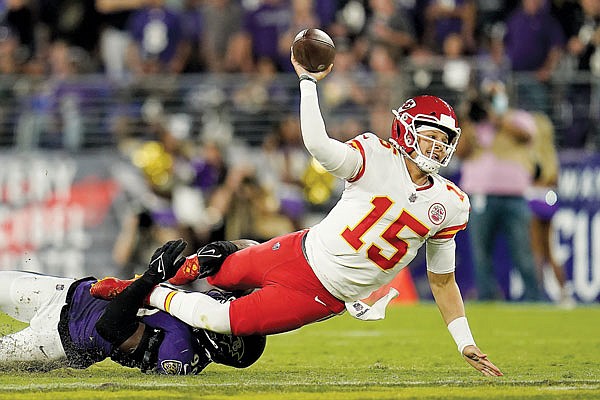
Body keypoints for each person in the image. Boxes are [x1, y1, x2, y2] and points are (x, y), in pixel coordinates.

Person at [94, 52, 503, 377]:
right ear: (405, 130)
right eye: (430, 136)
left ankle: (146, 294)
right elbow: (320, 146)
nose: (436, 147)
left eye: (443, 139)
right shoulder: (376, 155)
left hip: (320, 292)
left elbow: (444, 281)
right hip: (299, 248)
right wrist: (308, 83)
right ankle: (132, 286)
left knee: (223, 320)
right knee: (216, 268)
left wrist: (464, 340)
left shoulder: (450, 203)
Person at [0, 239, 266, 373]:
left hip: (60, 338)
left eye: (232, 315)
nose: (224, 302)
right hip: (69, 292)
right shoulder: (197, 318)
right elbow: (254, 251)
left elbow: (109, 327)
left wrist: (152, 276)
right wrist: (225, 247)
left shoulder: (180, 349)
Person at [456, 84, 541, 301]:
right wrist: (467, 119)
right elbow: (461, 151)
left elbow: (525, 135)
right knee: (481, 252)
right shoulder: (474, 125)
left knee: (523, 251)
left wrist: (497, 118)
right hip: (481, 196)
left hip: (515, 197)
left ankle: (534, 298)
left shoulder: (518, 118)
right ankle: (487, 297)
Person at [527, 112, 576, 308]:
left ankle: (535, 295)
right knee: (549, 251)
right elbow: (553, 181)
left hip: (533, 202)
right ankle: (565, 293)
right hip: (548, 204)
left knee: (536, 251)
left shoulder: (531, 153)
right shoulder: (551, 154)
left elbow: (529, 179)